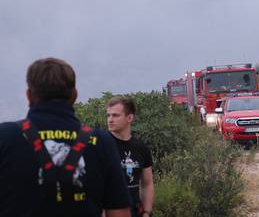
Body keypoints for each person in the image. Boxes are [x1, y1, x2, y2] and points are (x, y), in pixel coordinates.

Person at [0, 57, 131, 217]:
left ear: (29, 95)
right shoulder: (101, 141)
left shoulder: (5, 136)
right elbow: (119, 213)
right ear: (74, 95)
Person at [106, 97, 154, 217]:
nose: (110, 120)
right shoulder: (101, 145)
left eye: (115, 115)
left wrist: (147, 212)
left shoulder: (141, 148)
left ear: (130, 118)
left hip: (135, 212)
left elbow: (147, 184)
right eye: (108, 115)